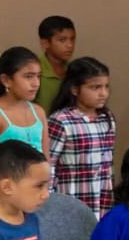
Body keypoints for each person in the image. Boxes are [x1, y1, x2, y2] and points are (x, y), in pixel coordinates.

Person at [0, 47, 48, 218]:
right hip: (0, 197)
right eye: (28, 76)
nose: (36, 83)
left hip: (32, 196)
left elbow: (45, 159)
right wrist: (17, 199)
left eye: (38, 76)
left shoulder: (39, 112)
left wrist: (39, 191)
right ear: (6, 80)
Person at [47, 57, 116, 217]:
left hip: (101, 202)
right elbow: (49, 164)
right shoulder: (61, 120)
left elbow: (107, 164)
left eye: (106, 86)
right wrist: (48, 202)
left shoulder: (107, 119)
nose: (103, 93)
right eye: (95, 87)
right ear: (75, 89)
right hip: (71, 201)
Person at [35, 15, 76, 114]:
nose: (70, 45)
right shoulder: (34, 71)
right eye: (62, 40)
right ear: (45, 43)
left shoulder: (75, 71)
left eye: (72, 39)